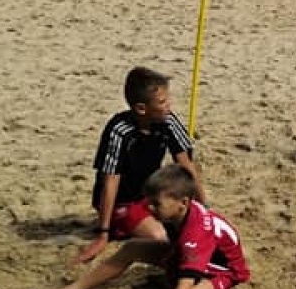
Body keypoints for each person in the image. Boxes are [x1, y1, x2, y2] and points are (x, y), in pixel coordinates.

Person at [33, 165, 250, 289]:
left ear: (183, 203)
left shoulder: (196, 231)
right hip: (186, 252)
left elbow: (184, 286)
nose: (150, 208)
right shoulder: (175, 212)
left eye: (156, 204)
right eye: (149, 202)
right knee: (132, 248)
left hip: (225, 271)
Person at [76, 66, 204, 266]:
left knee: (184, 221)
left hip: (151, 195)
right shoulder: (119, 131)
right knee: (160, 238)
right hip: (122, 202)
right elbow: (110, 182)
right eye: (162, 102)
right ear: (141, 108)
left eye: (168, 99)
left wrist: (204, 209)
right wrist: (103, 234)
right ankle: (118, 226)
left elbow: (186, 165)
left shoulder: (168, 121)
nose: (169, 105)